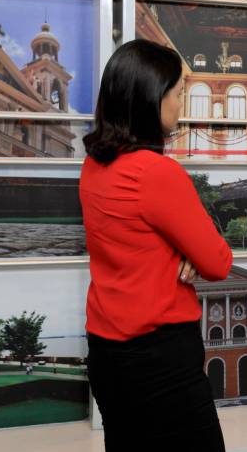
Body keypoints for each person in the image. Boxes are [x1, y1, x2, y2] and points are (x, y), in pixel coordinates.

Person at [80, 39, 233, 451]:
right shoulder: (156, 174)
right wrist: (189, 252)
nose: (182, 103)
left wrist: (181, 250)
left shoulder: (94, 165)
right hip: (160, 358)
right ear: (152, 97)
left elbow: (134, 240)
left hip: (107, 353)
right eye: (179, 92)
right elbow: (218, 261)